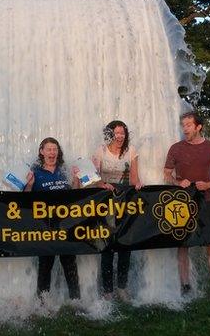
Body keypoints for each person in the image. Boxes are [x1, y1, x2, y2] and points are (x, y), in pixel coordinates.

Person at [163, 111, 210, 307]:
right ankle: (185, 287)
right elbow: (166, 173)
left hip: (206, 201)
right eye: (183, 125)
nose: (184, 129)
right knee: (183, 245)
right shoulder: (175, 148)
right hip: (182, 204)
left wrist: (209, 184)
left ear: (198, 126)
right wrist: (178, 181)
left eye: (188, 125)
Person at [92, 120, 142, 301]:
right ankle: (107, 291)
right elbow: (94, 178)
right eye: (116, 133)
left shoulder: (132, 151)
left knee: (125, 245)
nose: (120, 136)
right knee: (107, 246)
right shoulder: (100, 151)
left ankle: (122, 287)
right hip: (105, 204)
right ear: (110, 134)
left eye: (123, 133)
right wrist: (102, 184)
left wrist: (138, 184)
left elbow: (134, 179)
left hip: (124, 204)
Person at [25, 137, 81, 300]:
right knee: (45, 265)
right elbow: (24, 202)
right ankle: (43, 303)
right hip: (45, 228)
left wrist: (76, 180)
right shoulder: (35, 172)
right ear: (42, 152)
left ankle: (76, 301)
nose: (52, 152)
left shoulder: (64, 170)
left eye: (54, 149)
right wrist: (29, 185)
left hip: (65, 226)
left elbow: (75, 197)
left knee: (70, 262)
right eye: (48, 149)